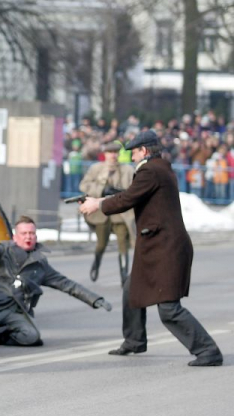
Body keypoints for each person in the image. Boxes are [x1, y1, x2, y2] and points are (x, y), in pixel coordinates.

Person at [79, 131, 223, 366]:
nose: (132, 157)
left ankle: (208, 351)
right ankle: (134, 340)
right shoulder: (158, 168)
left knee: (169, 308)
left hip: (167, 248)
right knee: (130, 288)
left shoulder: (150, 170)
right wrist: (108, 196)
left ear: (144, 150)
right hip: (159, 245)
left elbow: (128, 199)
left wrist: (98, 203)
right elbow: (135, 195)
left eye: (134, 152)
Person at [0, 216, 112, 347]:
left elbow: (68, 285)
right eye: (24, 233)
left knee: (31, 337)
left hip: (17, 311)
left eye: (32, 233)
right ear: (15, 236)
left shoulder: (41, 265)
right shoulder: (4, 251)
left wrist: (95, 299)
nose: (28, 237)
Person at [79, 141, 135, 284]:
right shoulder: (96, 168)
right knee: (101, 243)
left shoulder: (127, 170)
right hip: (100, 212)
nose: (113, 156)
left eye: (115, 153)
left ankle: (124, 275)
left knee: (123, 243)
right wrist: (101, 190)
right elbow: (84, 185)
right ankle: (96, 264)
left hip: (120, 214)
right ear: (105, 154)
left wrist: (120, 192)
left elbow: (134, 190)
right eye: (110, 153)